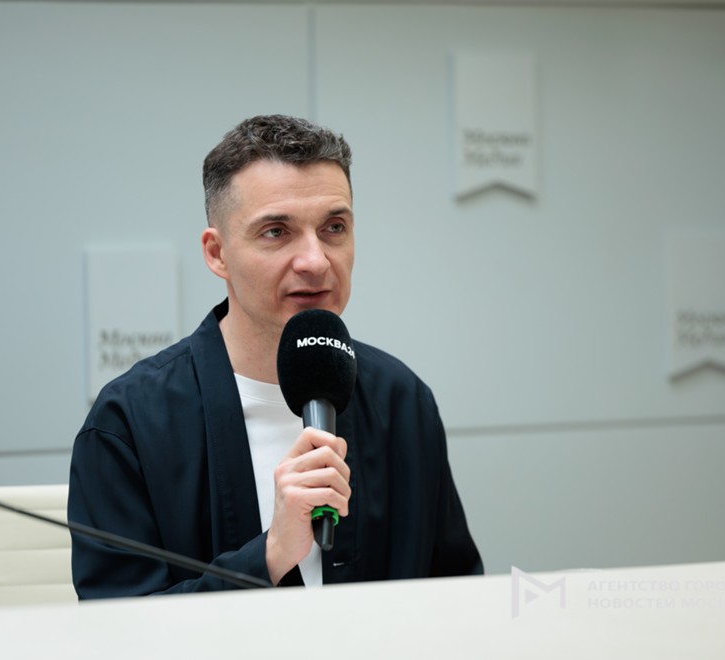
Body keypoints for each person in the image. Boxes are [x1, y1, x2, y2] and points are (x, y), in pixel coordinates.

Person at [68, 114, 482, 597]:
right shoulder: (129, 423)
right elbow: (118, 628)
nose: (315, 261)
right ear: (217, 253)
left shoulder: (402, 400)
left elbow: (460, 596)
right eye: (276, 232)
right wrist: (270, 554)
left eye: (334, 227)